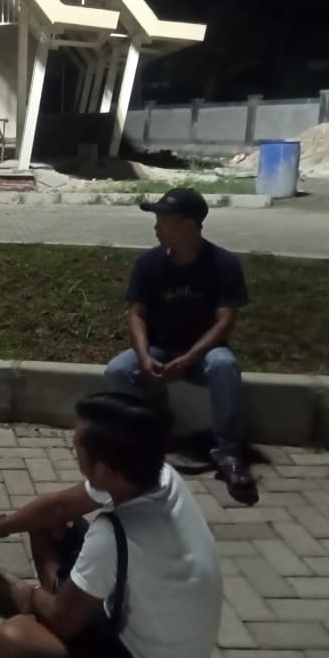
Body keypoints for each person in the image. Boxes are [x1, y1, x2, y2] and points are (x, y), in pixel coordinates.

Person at [0, 392, 223, 658]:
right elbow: (57, 508)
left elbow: (62, 622)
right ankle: (57, 595)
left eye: (77, 450)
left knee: (7, 643)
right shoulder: (161, 475)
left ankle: (23, 596)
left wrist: (24, 593)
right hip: (163, 633)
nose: (74, 455)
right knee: (46, 521)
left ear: (106, 470)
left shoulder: (112, 536)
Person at [103, 187, 257, 505]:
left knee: (224, 365)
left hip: (204, 352)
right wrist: (144, 356)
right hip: (160, 347)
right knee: (118, 371)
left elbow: (225, 321)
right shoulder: (148, 263)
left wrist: (189, 358)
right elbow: (136, 314)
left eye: (163, 221)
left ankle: (229, 454)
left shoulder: (223, 264)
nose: (156, 227)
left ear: (188, 226)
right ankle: (145, 442)